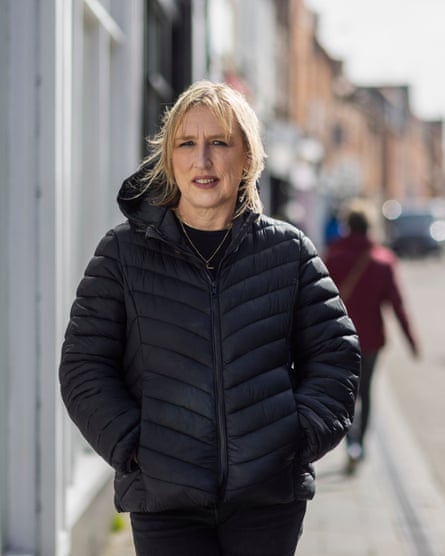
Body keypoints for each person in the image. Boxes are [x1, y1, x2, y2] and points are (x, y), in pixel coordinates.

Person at [59, 80, 360, 556]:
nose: (203, 160)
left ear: (247, 158)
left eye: (219, 142)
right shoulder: (122, 253)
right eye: (187, 144)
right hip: (165, 499)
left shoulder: (289, 253)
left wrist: (293, 442)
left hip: (266, 500)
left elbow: (335, 357)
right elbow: (83, 365)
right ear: (169, 157)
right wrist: (135, 449)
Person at [325, 198, 419, 474]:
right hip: (371, 340)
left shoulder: (333, 256)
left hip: (339, 339)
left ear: (346, 226)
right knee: (365, 392)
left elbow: (317, 300)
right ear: (370, 227)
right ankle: (360, 444)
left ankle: (349, 441)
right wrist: (411, 341)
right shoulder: (382, 260)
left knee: (344, 393)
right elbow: (397, 305)